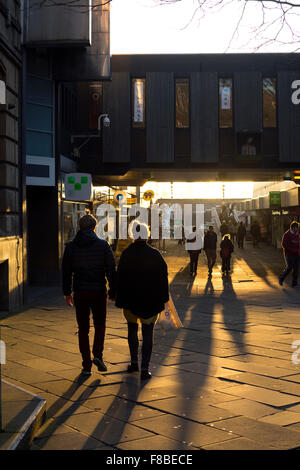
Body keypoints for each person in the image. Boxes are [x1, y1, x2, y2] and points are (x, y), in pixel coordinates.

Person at [62, 214, 116, 375]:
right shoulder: (103, 245)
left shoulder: (70, 247)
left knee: (83, 328)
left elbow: (66, 272)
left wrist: (67, 293)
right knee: (100, 324)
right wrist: (113, 291)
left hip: (80, 292)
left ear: (79, 227)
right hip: (98, 291)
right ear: (94, 227)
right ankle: (98, 354)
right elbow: (111, 270)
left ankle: (86, 365)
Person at [115, 221, 169, 380]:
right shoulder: (155, 254)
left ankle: (133, 363)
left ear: (132, 234)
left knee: (132, 330)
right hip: (151, 302)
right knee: (148, 334)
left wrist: (117, 295)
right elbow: (163, 279)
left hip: (131, 302)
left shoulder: (126, 254)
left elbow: (120, 278)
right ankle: (145, 369)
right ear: (147, 234)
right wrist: (164, 299)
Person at [279, 221, 300, 288]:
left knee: (296, 269)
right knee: (289, 267)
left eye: (297, 228)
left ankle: (294, 283)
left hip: (296, 254)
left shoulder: (297, 235)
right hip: (289, 254)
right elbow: (283, 244)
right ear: (293, 228)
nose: (297, 229)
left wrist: (298, 250)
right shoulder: (287, 234)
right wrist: (291, 250)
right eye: (296, 228)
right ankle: (281, 278)